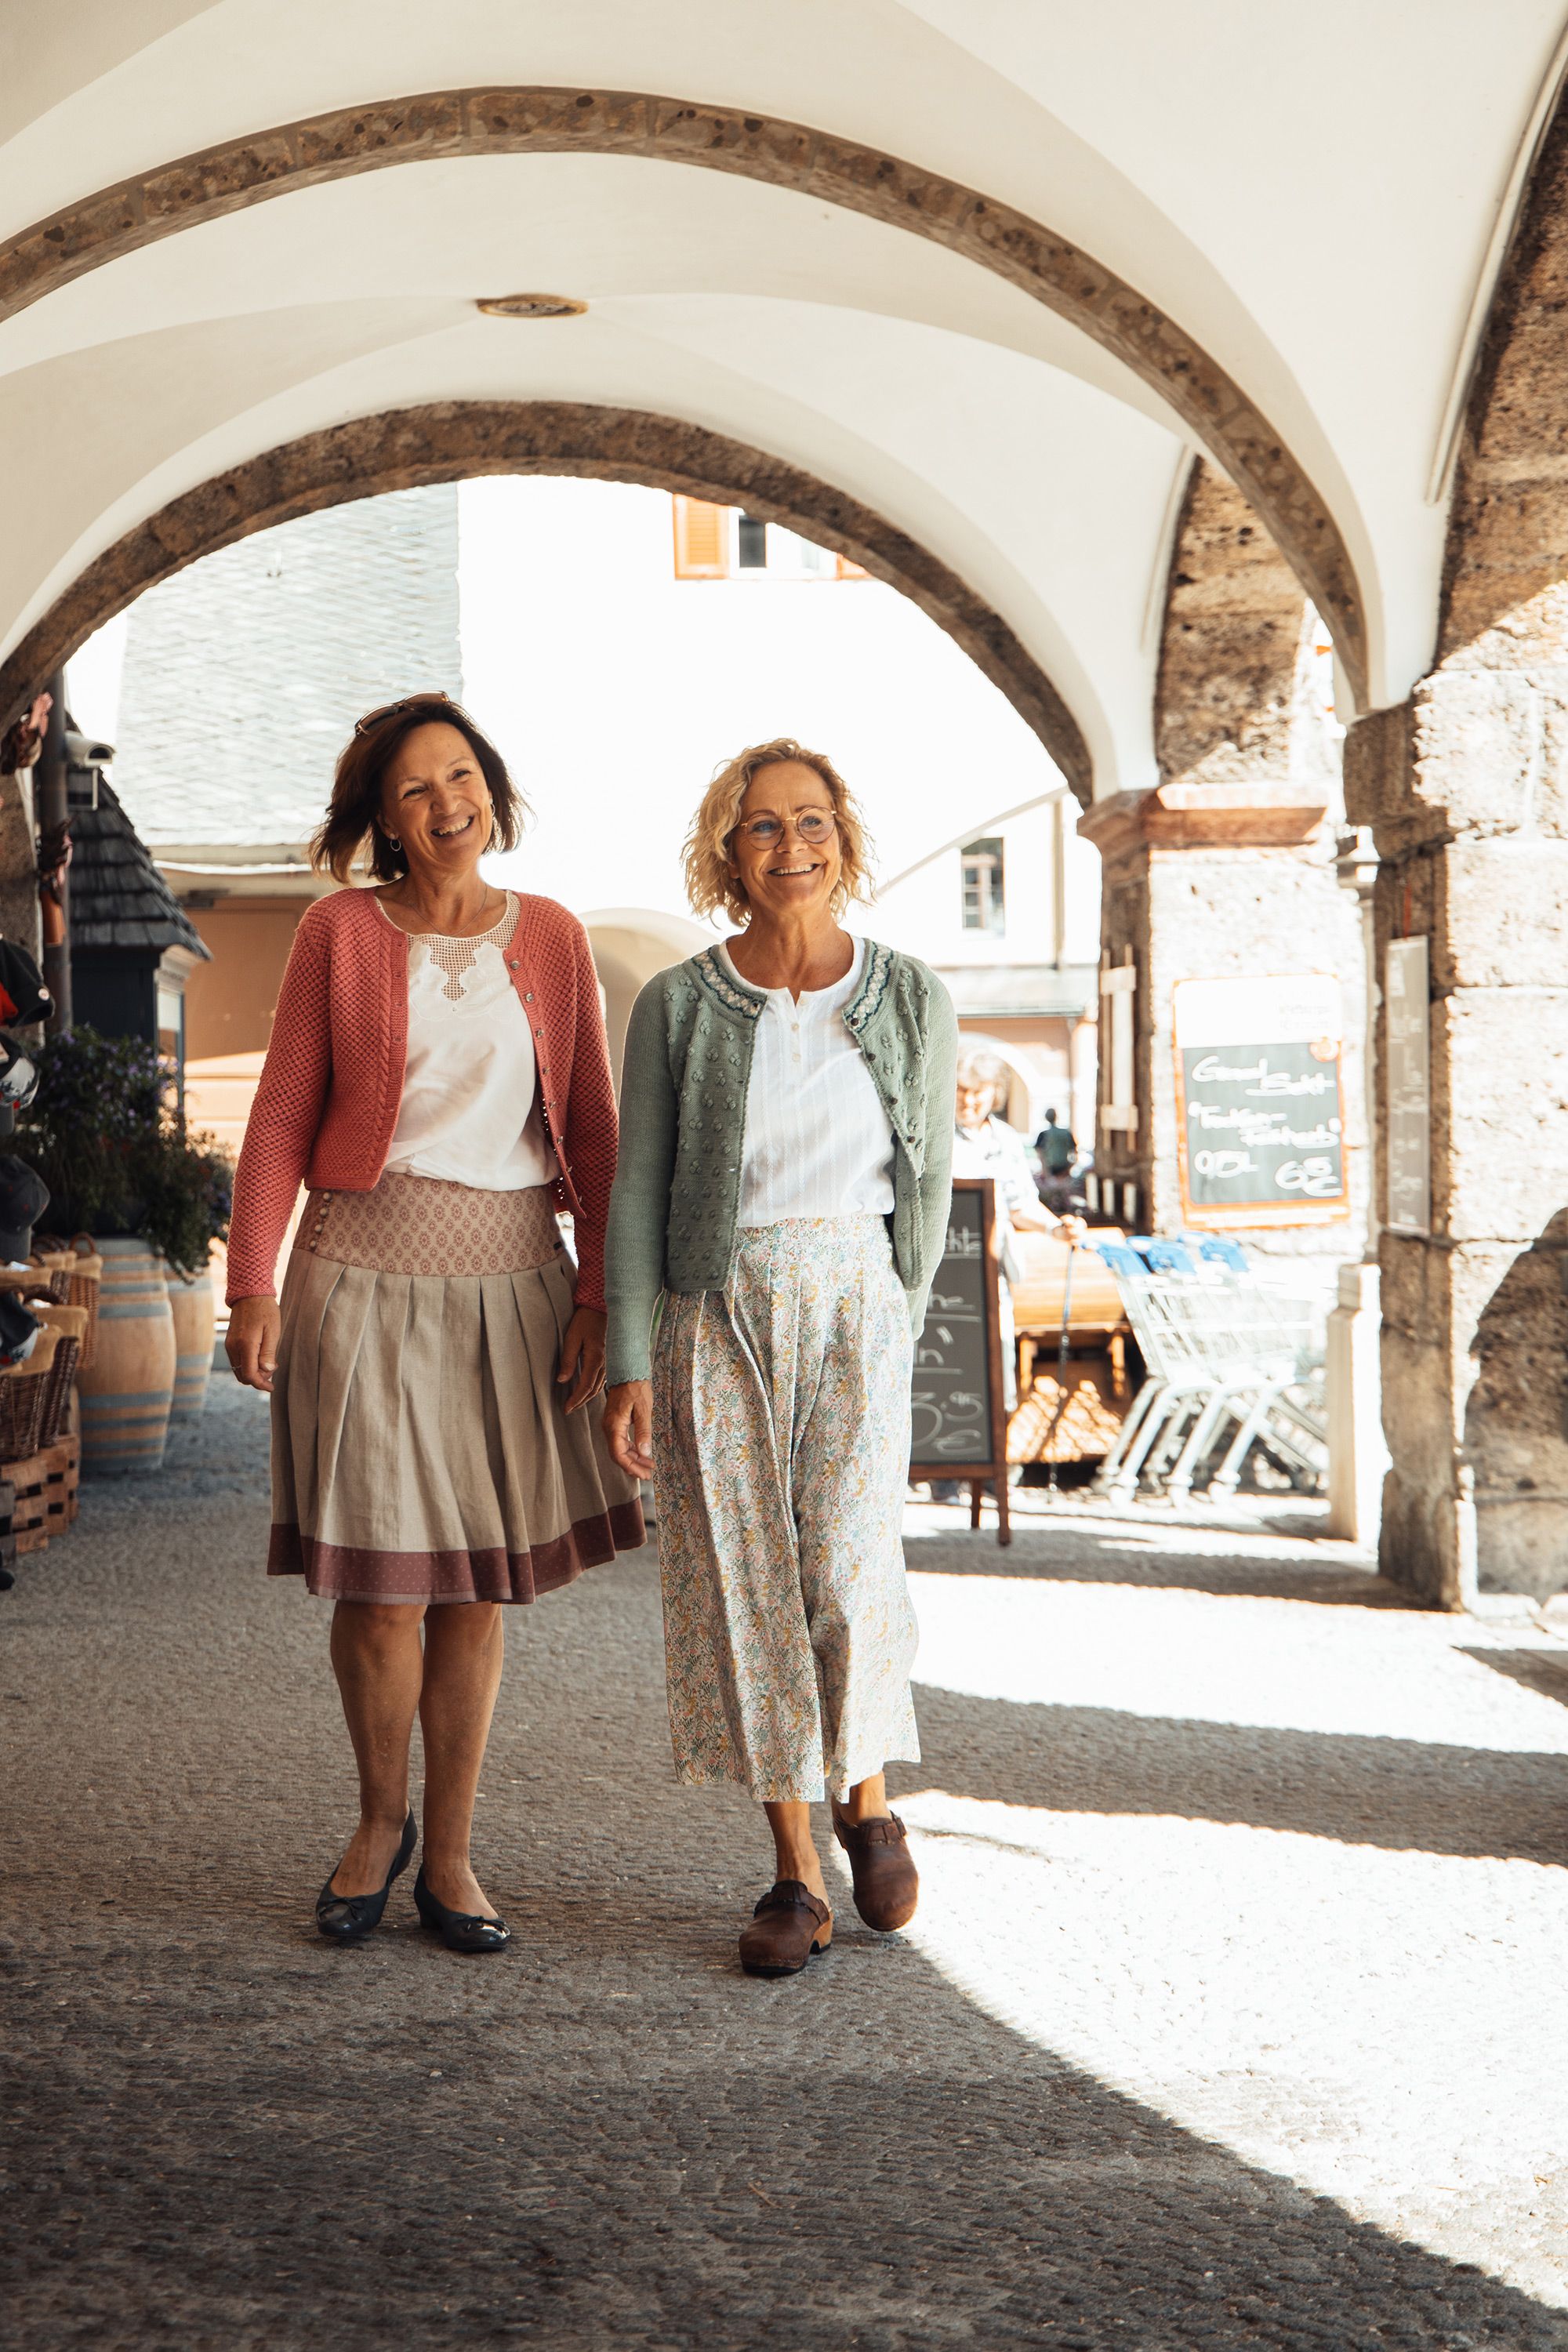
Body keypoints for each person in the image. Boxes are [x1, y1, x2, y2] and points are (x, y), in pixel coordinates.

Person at [225, 691, 643, 1955]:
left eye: (461, 777)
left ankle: (453, 1858)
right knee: (381, 1586)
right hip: (359, 1275)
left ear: (492, 790)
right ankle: (377, 1822)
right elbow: (282, 1117)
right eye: (415, 790)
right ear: (383, 821)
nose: (447, 803)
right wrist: (253, 1279)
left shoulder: (557, 940)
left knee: (474, 1592)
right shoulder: (337, 935)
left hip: (515, 1282)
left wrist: (598, 1297)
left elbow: (598, 1136)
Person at [602, 737, 956, 1978]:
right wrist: (629, 1358)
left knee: (850, 1573)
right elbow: (637, 1185)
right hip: (720, 1304)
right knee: (747, 1586)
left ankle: (869, 1798)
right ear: (727, 853)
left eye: (811, 823)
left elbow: (932, 1183)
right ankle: (796, 1874)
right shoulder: (680, 1005)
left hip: (857, 1298)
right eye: (763, 827)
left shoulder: (911, 994)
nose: (790, 846)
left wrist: (897, 1315)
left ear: (842, 841)